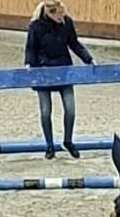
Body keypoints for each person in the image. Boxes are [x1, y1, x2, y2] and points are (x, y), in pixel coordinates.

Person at [24, 0, 94, 160]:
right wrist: (29, 65)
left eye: (61, 12)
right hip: (42, 72)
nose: (60, 16)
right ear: (48, 12)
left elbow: (74, 43)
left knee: (70, 109)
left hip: (64, 70)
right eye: (56, 13)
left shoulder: (66, 22)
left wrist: (88, 59)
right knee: (45, 111)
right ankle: (49, 145)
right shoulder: (36, 26)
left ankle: (68, 141)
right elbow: (30, 48)